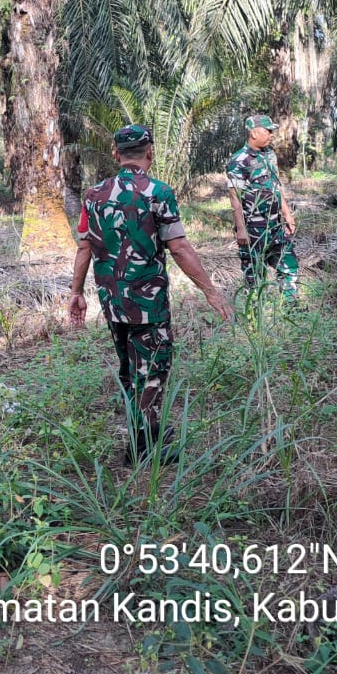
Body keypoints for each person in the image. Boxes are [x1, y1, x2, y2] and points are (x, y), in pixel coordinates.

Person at [68, 124, 231, 464]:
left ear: (115, 154)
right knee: (152, 371)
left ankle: (147, 429)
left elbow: (84, 247)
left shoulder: (93, 195)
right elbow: (179, 248)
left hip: (112, 302)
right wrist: (211, 292)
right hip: (147, 304)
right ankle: (142, 450)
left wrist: (76, 292)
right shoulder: (158, 192)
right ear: (150, 152)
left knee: (130, 370)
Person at [225, 115, 299, 301]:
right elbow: (234, 197)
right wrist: (241, 229)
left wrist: (287, 214)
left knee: (288, 264)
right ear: (254, 133)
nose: (271, 135)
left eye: (272, 131)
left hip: (275, 225)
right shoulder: (239, 160)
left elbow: (276, 186)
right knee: (255, 274)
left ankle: (291, 306)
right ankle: (255, 310)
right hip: (253, 228)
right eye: (267, 131)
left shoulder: (269, 155)